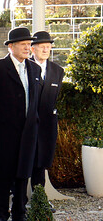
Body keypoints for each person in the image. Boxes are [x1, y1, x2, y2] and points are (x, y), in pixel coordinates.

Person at [0, 27, 42, 221]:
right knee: (3, 177)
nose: (27, 48)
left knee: (23, 176)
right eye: (23, 44)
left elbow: (36, 102)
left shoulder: (36, 69)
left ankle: (20, 215)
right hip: (2, 135)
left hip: (27, 135)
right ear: (11, 47)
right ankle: (0, 216)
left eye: (29, 44)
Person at [30, 30, 64, 188]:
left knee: (41, 163)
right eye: (42, 46)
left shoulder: (58, 71)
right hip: (27, 124)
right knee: (23, 162)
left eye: (48, 47)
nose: (45, 50)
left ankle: (39, 200)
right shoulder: (25, 67)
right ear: (33, 49)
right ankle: (19, 201)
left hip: (46, 125)